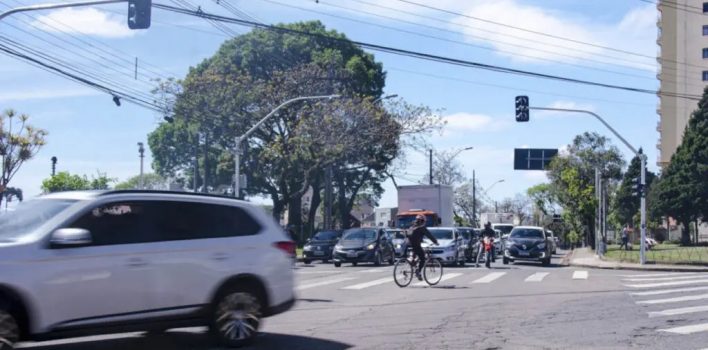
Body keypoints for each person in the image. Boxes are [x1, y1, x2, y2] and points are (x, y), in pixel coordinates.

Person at [407, 214, 439, 280]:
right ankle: (418, 271)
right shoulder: (422, 227)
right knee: (423, 258)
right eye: (424, 221)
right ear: (422, 221)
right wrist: (435, 242)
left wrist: (422, 240)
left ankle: (413, 263)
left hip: (409, 245)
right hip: (416, 245)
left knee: (415, 254)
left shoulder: (412, 226)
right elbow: (429, 235)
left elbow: (414, 235)